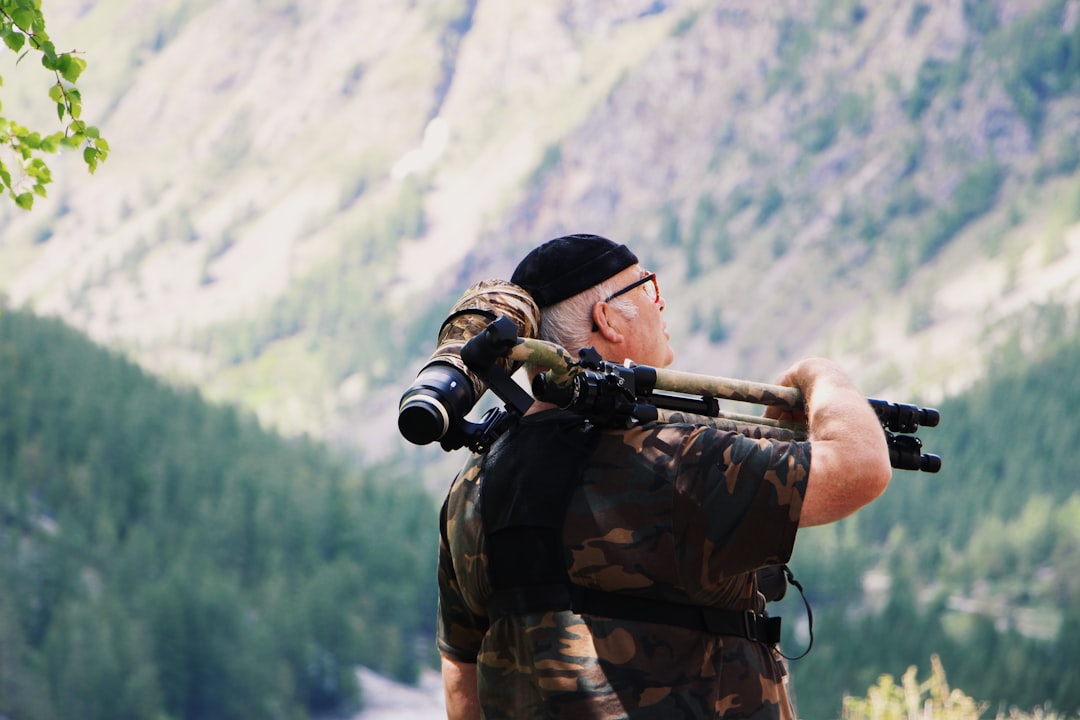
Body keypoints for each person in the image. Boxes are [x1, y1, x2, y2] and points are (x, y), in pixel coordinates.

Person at [436, 234, 892, 719]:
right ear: (606, 319)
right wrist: (819, 374)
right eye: (647, 288)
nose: (661, 302)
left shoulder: (471, 489)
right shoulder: (672, 456)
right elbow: (860, 467)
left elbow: (461, 679)